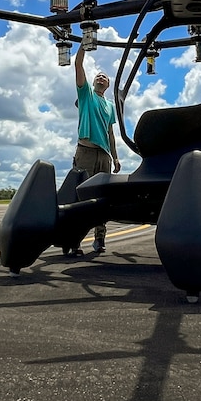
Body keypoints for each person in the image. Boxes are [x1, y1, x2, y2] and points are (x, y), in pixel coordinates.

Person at [70, 44, 121, 255]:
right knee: (81, 198)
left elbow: (110, 134)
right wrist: (84, 44)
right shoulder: (86, 95)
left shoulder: (109, 106)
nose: (101, 77)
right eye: (98, 75)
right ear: (93, 82)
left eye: (105, 77)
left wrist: (116, 158)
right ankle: (74, 241)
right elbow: (78, 64)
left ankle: (99, 239)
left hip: (104, 156)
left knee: (102, 199)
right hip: (86, 152)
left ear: (108, 85)